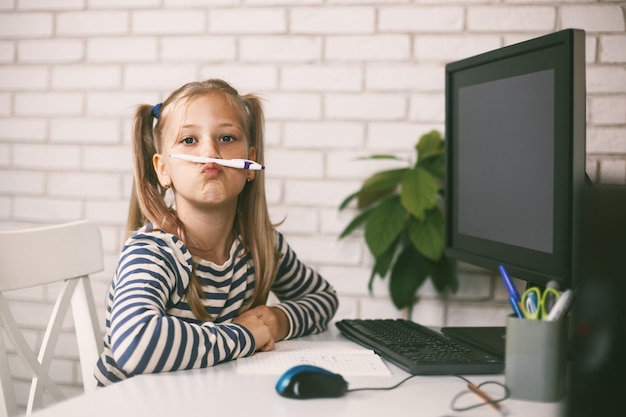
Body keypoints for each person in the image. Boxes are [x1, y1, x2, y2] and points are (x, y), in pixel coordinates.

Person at [95, 79, 339, 386]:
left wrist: (278, 321)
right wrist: (246, 335)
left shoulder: (261, 246)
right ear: (163, 170)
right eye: (189, 141)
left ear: (250, 164)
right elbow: (137, 345)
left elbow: (323, 298)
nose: (210, 151)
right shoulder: (153, 251)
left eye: (226, 137)